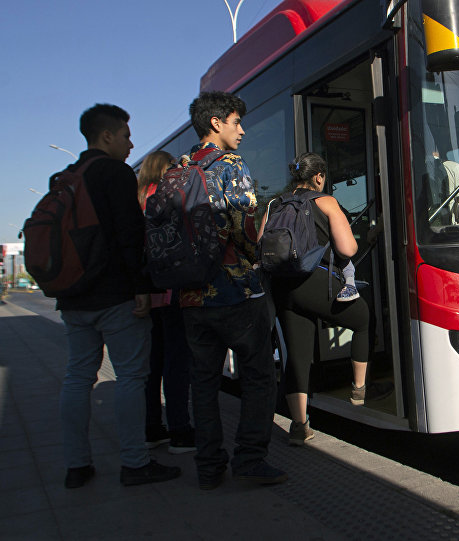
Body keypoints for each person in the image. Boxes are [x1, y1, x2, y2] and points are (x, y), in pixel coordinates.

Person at [55, 104, 181, 489]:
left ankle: (77, 465)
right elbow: (131, 237)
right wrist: (142, 288)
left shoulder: (64, 177)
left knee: (77, 377)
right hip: (114, 294)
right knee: (131, 376)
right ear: (106, 135)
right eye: (126, 135)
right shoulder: (115, 173)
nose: (131, 143)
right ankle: (135, 462)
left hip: (74, 296)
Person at [180, 90, 285, 489]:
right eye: (236, 121)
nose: (242, 129)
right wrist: (256, 253)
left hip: (191, 296)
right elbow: (244, 227)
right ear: (216, 123)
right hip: (234, 291)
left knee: (203, 383)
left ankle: (208, 466)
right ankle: (250, 458)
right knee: (259, 376)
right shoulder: (229, 165)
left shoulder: (181, 167)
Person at [265, 152, 392, 446]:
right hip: (316, 283)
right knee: (363, 319)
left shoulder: (275, 204)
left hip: (283, 288)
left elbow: (262, 246)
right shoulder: (326, 201)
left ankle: (299, 425)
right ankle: (360, 389)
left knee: (297, 358)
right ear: (319, 177)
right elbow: (347, 249)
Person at [136, 150, 195, 454]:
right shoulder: (164, 196)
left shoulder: (137, 198)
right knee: (177, 363)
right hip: (171, 291)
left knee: (152, 364)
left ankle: (151, 428)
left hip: (146, 293)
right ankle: (180, 431)